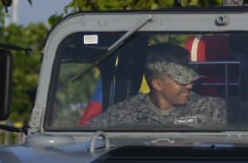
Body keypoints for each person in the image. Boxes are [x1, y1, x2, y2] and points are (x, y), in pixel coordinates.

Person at [94, 45, 228, 128]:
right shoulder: (121, 114)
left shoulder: (212, 109)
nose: (189, 85)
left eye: (191, 79)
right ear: (157, 84)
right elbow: (90, 138)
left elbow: (247, 124)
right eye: (181, 80)